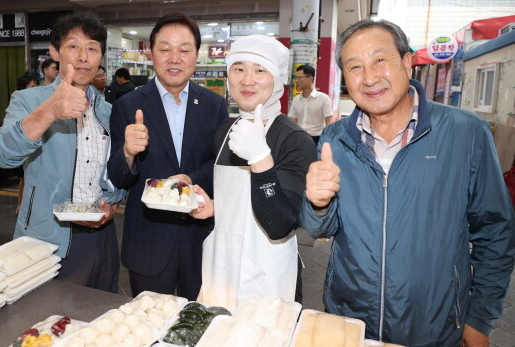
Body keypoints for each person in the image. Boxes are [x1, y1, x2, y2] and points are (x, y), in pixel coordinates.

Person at [298, 19, 515, 346]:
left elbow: (495, 230)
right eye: (355, 67)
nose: (369, 77)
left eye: (380, 60)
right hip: (349, 322)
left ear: (406, 61)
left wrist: (480, 318)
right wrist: (316, 203)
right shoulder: (335, 138)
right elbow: (319, 230)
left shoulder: (465, 132)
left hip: (434, 325)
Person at [0, 14, 125, 293]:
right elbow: (2, 155)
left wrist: (113, 201)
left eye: (92, 48)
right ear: (55, 52)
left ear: (101, 56)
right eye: (73, 46)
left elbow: (115, 172)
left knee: (98, 323)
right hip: (47, 237)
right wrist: (50, 111)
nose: (84, 57)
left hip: (102, 238)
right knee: (45, 325)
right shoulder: (29, 100)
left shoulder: (109, 112)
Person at [107, 12, 229, 300]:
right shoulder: (127, 106)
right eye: (165, 49)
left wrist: (191, 178)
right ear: (151, 54)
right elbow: (117, 177)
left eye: (184, 50)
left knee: (199, 327)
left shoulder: (214, 104)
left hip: (200, 239)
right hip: (149, 241)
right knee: (148, 326)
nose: (174, 58)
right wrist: (127, 152)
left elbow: (221, 164)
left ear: (196, 55)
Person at [190, 34, 315, 309]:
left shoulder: (295, 140)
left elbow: (280, 223)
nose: (247, 80)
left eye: (260, 70)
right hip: (222, 266)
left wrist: (260, 157)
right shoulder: (225, 132)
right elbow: (239, 199)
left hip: (268, 275)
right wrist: (214, 207)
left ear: (278, 79)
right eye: (238, 68)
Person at [288, 65, 334, 145]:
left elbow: (329, 122)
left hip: (317, 140)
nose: (296, 81)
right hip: (299, 139)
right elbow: (293, 123)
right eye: (296, 78)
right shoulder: (296, 100)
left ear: (310, 78)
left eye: (299, 78)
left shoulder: (323, 98)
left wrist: (328, 142)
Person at [14, 73, 39, 214]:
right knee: (24, 178)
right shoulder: (19, 102)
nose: (35, 88)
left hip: (36, 147)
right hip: (24, 146)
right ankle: (21, 205)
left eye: (36, 85)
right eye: (32, 86)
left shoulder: (39, 100)